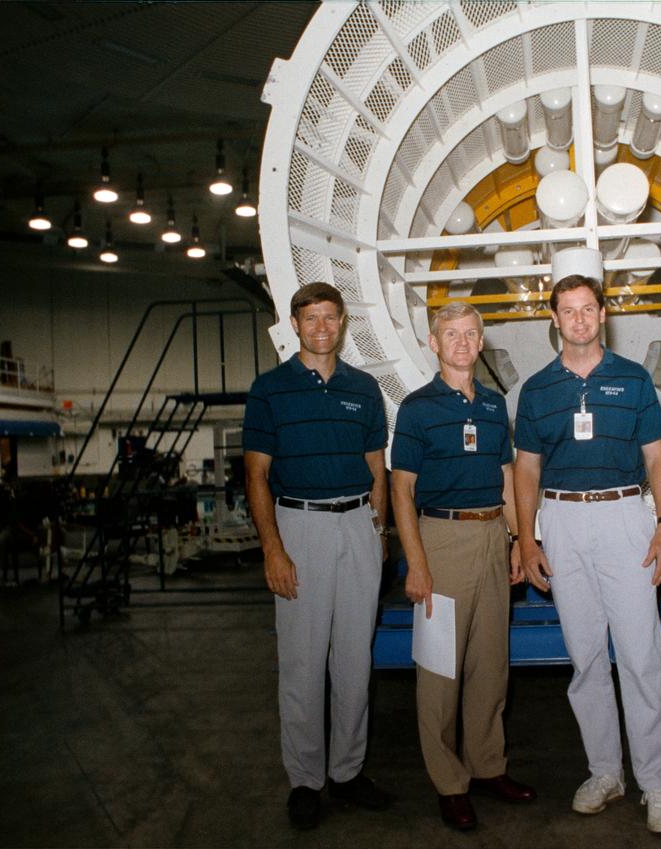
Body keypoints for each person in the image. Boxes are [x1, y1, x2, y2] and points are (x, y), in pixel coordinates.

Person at [514, 269, 661, 834]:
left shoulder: (633, 381)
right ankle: (606, 772)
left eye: (589, 309)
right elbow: (527, 470)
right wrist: (527, 537)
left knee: (640, 655)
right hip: (561, 519)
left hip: (624, 517)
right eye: (569, 311)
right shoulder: (537, 390)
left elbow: (658, 459)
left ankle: (658, 784)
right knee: (585, 659)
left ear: (603, 315)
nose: (579, 319)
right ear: (555, 320)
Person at [242, 282, 392, 830]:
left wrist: (377, 531)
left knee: (355, 661)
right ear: (296, 324)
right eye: (312, 318)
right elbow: (256, 475)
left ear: (343, 322)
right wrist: (273, 550)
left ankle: (347, 773)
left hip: (357, 525)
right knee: (304, 664)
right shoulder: (270, 389)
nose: (322, 327)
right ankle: (305, 780)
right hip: (299, 525)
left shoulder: (363, 387)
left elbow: (377, 466)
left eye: (331, 317)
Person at [390, 302, 537, 831]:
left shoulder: (496, 407)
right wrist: (417, 564)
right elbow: (401, 491)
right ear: (434, 343)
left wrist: (520, 541)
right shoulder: (416, 409)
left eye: (469, 334)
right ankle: (449, 783)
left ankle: (487, 766)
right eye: (449, 334)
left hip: (492, 535)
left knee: (490, 665)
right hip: (442, 537)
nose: (460, 342)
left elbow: (505, 476)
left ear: (480, 343)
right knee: (439, 672)